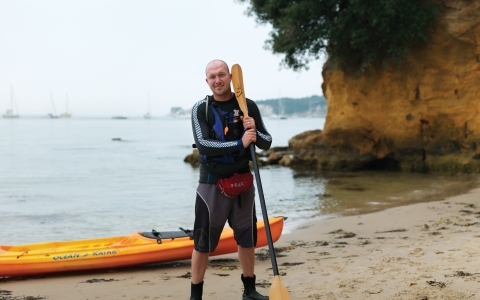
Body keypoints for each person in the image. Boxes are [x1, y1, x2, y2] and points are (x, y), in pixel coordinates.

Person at [189, 59, 272, 300]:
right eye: (212, 76)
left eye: (222, 75)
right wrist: (240, 142)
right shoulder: (200, 109)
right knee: (202, 242)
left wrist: (254, 129)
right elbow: (204, 146)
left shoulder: (248, 106)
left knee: (247, 238)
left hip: (243, 182)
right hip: (211, 184)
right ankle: (196, 297)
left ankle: (249, 291)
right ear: (207, 81)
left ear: (230, 78)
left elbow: (266, 143)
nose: (217, 80)